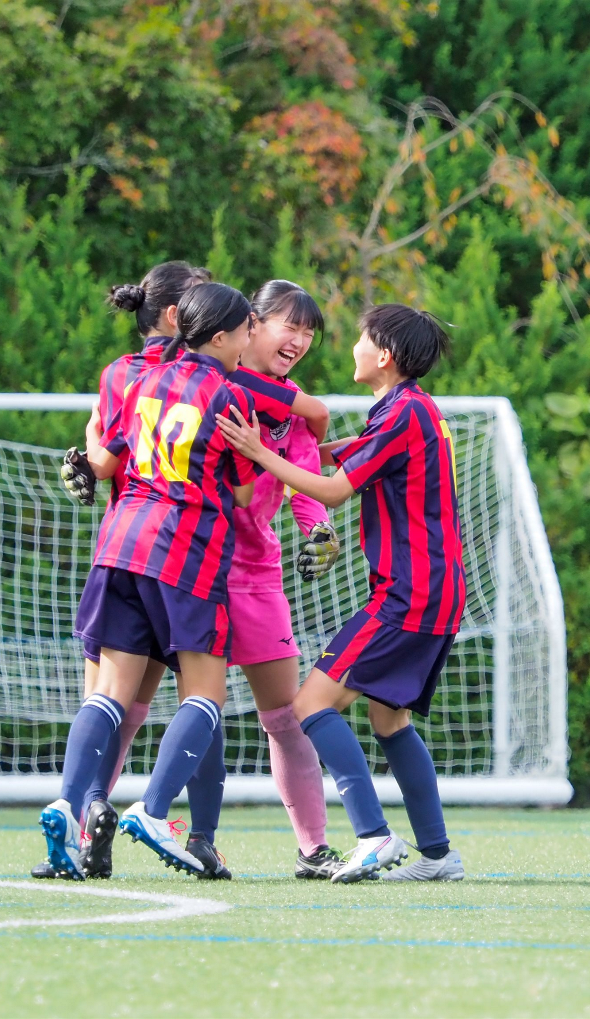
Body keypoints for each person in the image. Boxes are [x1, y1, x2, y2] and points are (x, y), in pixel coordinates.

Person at [218, 303, 466, 883]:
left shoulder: (402, 415)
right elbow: (342, 454)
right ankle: (437, 855)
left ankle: (374, 837)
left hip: (408, 594)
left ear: (383, 356)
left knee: (308, 706)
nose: (350, 347)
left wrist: (260, 454)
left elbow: (332, 492)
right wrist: (292, 449)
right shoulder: (411, 412)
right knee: (390, 722)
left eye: (360, 339)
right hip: (436, 592)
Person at [38, 282, 259, 879]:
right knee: (206, 695)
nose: (250, 340)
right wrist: (259, 450)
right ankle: (156, 811)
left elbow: (108, 458)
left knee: (108, 693)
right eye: (245, 331)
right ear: (220, 337)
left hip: (120, 543)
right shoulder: (231, 395)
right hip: (185, 553)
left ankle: (67, 801)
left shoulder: (137, 380)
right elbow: (241, 492)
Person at [222, 279, 347, 879]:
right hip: (184, 567)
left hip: (255, 576)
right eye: (287, 325)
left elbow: (302, 483)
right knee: (137, 706)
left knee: (285, 717)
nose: (298, 339)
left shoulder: (293, 406)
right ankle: (86, 821)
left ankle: (313, 847)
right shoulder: (205, 379)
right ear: (251, 323)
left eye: (308, 331)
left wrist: (319, 531)